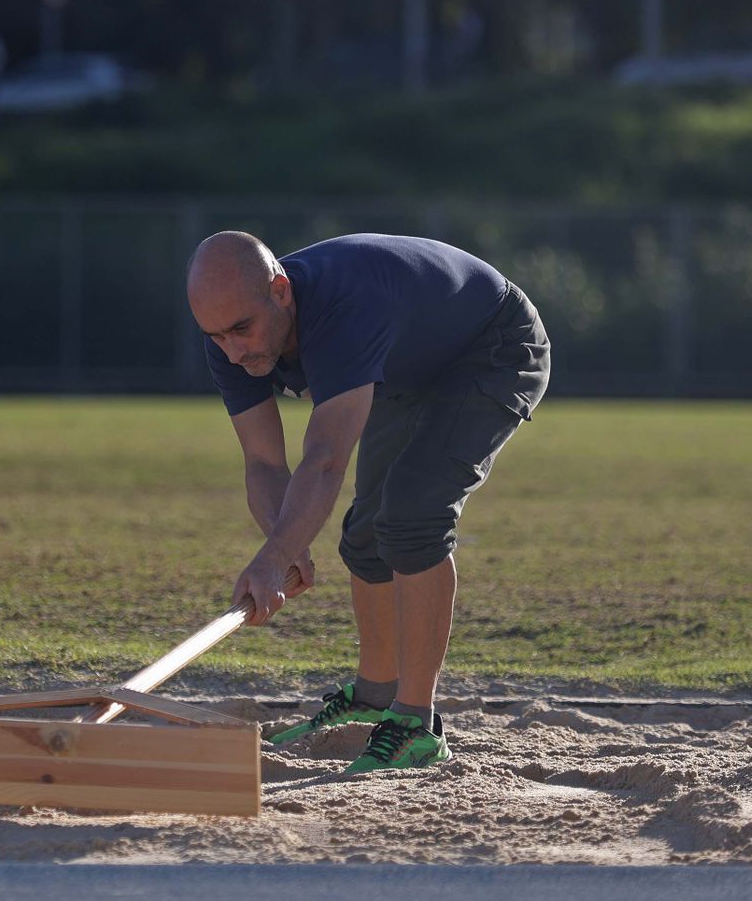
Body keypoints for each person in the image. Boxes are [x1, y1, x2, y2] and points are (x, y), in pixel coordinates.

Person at [186, 231, 550, 773]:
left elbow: (327, 456)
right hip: (409, 367)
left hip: (491, 346)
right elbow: (264, 462)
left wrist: (279, 551)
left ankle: (416, 725)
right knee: (366, 532)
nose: (233, 350)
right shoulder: (231, 340)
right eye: (216, 337)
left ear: (281, 292)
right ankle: (373, 699)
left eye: (242, 329)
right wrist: (283, 544)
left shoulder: (343, 312)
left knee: (412, 517)